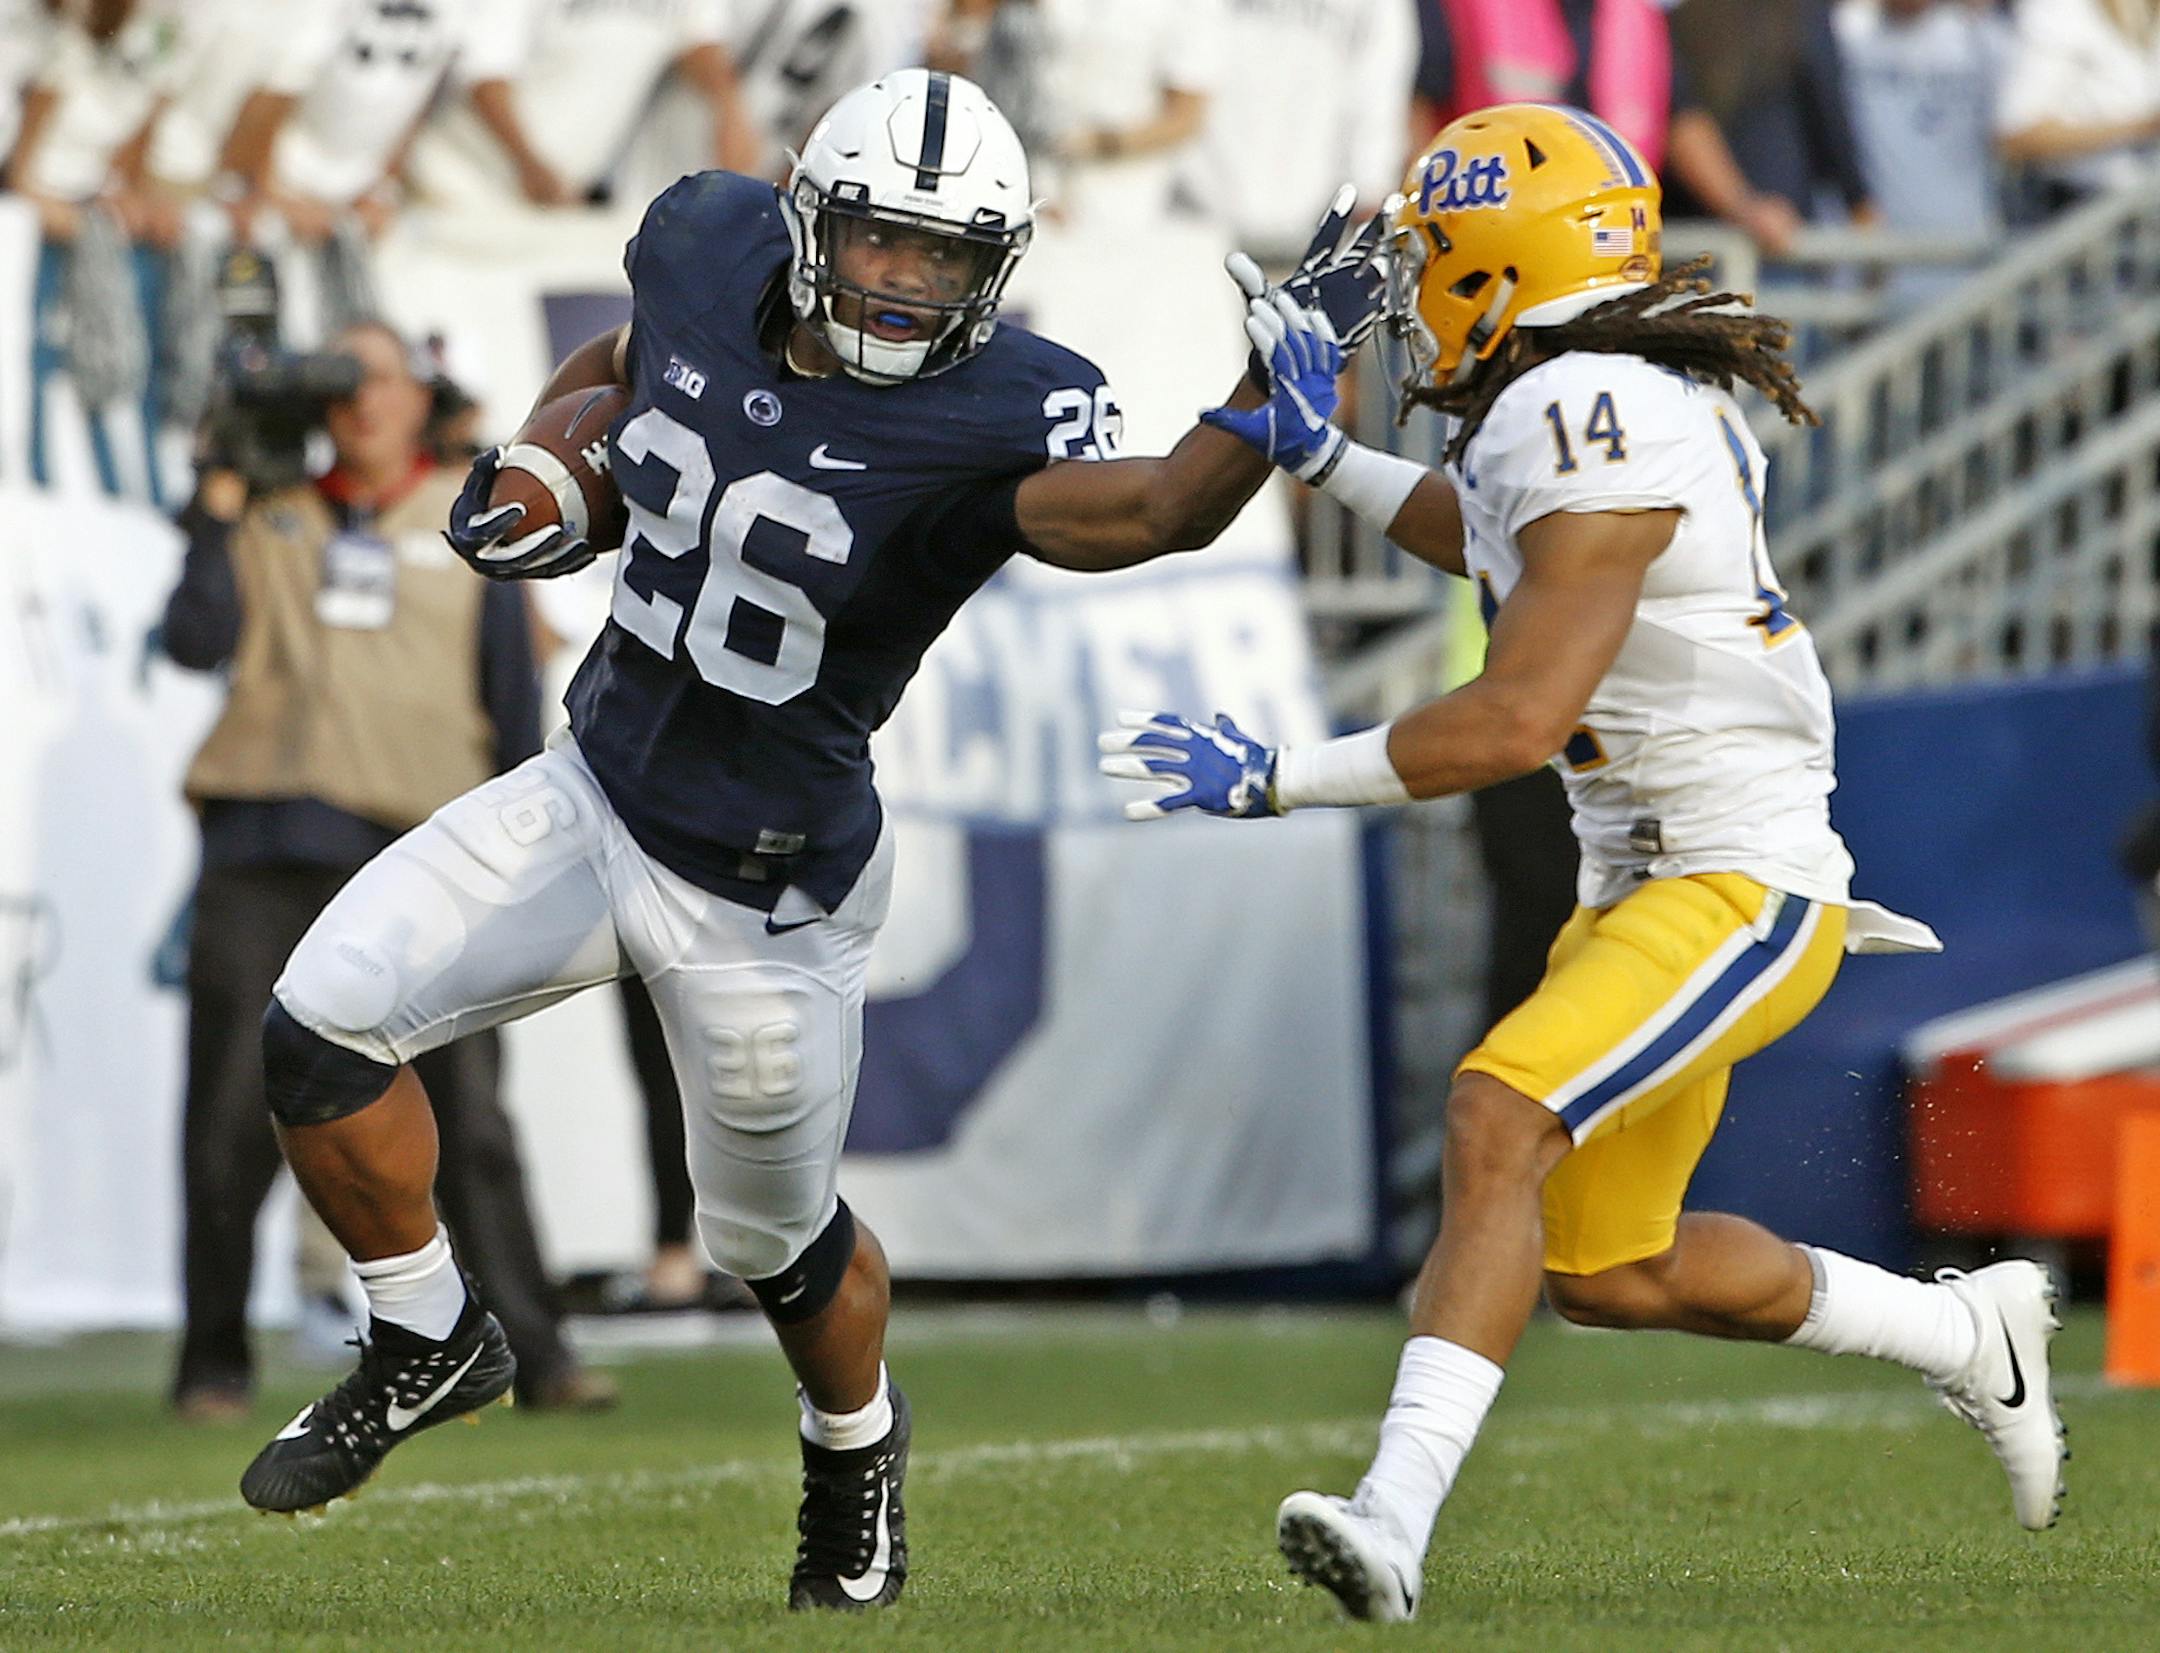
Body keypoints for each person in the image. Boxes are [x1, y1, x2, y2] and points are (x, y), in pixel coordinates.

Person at [232, 68, 1387, 1611]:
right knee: (319, 1025)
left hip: (767, 888)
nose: (907, 285)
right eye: (880, 244)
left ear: (995, 270)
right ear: (803, 221)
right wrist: (551, 456)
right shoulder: (707, 248)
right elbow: (632, 357)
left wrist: (1264, 398)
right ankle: (427, 1332)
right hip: (595, 791)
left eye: (945, 258)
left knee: (771, 1245)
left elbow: (1155, 512)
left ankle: (854, 1451)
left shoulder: (1002, 406)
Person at [1099, 102, 2067, 1623]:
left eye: (1433, 260)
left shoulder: (1590, 405)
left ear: (1497, 269)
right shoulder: (1580, 399)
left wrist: (1282, 776)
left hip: (1733, 881)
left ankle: (1393, 1516)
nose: (1414, 292)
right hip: (1649, 883)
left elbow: (1516, 714)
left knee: (1498, 1113)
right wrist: (1323, 455)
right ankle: (1967, 1337)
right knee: (1611, 1271)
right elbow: (1494, 545)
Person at [161, 319, 614, 1421]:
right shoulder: (268, 508)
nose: (362, 401)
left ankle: (535, 1350)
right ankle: (213, 1358)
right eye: (341, 380)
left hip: (422, 855)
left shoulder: (475, 520)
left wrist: (527, 859)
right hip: (266, 846)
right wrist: (218, 496)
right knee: (227, 1114)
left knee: (466, 1117)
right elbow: (191, 635)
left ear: (423, 399)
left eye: (385, 381)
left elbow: (512, 705)